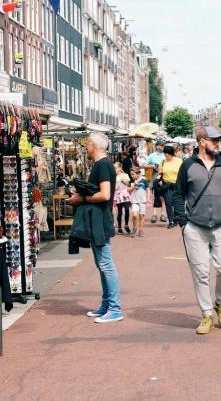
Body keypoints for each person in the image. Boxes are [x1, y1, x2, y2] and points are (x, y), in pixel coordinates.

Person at [172, 126, 221, 335]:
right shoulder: (187, 165)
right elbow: (178, 194)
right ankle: (207, 314)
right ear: (201, 141)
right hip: (195, 227)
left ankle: (220, 304)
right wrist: (183, 223)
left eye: (219, 140)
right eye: (214, 140)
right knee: (200, 273)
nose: (218, 143)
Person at [69, 132, 123, 323]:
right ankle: (107, 304)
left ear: (93, 145)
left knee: (106, 265)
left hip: (100, 220)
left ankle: (115, 308)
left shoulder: (103, 165)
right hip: (97, 220)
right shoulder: (103, 165)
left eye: (87, 144)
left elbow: (105, 195)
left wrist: (80, 198)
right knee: (102, 265)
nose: (86, 148)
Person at [159, 144, 183, 229]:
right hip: (167, 185)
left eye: (168, 153)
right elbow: (160, 173)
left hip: (177, 185)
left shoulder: (179, 161)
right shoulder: (163, 161)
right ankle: (171, 221)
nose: (166, 155)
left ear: (172, 153)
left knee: (176, 203)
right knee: (168, 203)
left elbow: (183, 173)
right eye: (165, 153)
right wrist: (159, 179)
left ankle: (176, 218)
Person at [145, 140, 167, 223]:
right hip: (154, 178)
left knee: (163, 196)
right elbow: (144, 165)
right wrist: (153, 166)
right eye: (161, 145)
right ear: (157, 146)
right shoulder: (152, 155)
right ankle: (154, 214)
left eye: (163, 146)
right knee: (155, 196)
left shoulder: (165, 155)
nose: (163, 147)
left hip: (164, 177)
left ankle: (163, 214)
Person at [129, 169, 148, 238]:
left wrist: (148, 198)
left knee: (141, 216)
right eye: (131, 174)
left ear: (138, 174)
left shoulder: (143, 181)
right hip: (134, 200)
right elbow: (128, 189)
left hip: (142, 200)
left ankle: (141, 230)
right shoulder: (131, 181)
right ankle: (134, 228)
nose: (132, 176)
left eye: (133, 174)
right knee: (134, 215)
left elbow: (148, 189)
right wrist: (133, 186)